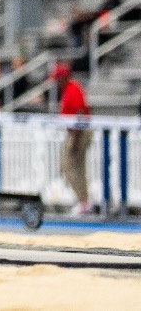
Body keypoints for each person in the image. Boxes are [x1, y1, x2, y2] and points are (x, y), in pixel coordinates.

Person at [53, 62, 93, 214]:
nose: (56, 82)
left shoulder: (73, 88)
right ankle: (84, 201)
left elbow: (80, 112)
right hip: (75, 131)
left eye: (58, 78)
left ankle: (84, 201)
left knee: (70, 166)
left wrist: (76, 138)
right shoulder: (67, 89)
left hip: (78, 132)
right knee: (74, 167)